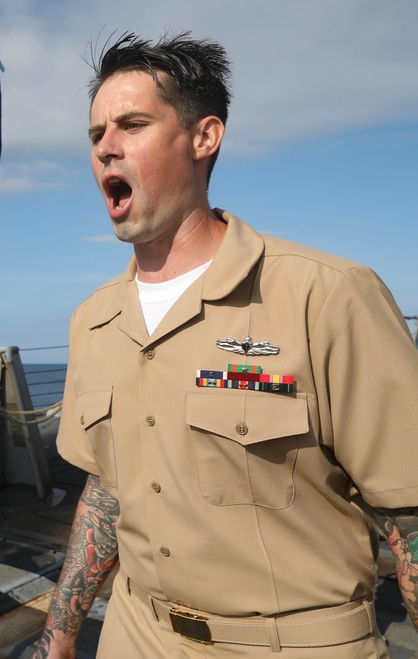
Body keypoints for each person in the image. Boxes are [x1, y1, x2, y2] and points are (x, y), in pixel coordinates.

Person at [34, 32, 418, 658]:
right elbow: (108, 488)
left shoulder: (326, 297)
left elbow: (411, 515)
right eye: (96, 133)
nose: (106, 147)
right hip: (133, 634)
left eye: (132, 124)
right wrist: (61, 633)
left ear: (204, 137)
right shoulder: (95, 319)